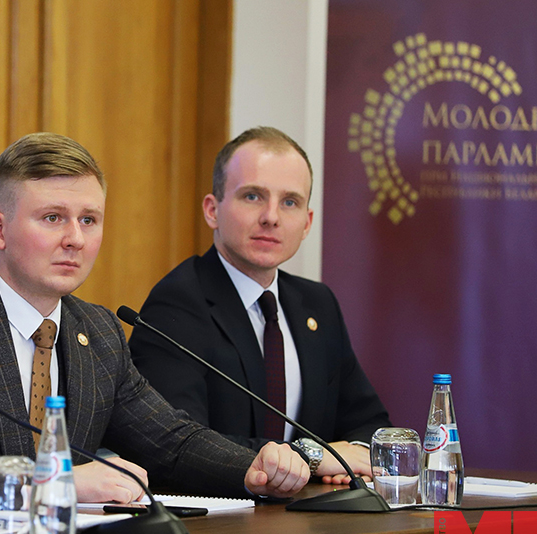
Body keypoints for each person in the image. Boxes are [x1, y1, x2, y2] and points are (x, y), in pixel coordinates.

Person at [0, 132, 309, 518]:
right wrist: (54, 481)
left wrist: (257, 467)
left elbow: (170, 443)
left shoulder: (98, 332)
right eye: (52, 218)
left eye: (89, 220)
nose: (75, 238)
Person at [129, 127, 391, 485]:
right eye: (253, 196)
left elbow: (368, 425)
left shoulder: (318, 304)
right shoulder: (177, 304)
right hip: (218, 524)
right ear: (212, 210)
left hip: (314, 519)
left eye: (290, 202)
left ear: (307, 223)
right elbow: (178, 443)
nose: (271, 217)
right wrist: (315, 457)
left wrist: (350, 465)